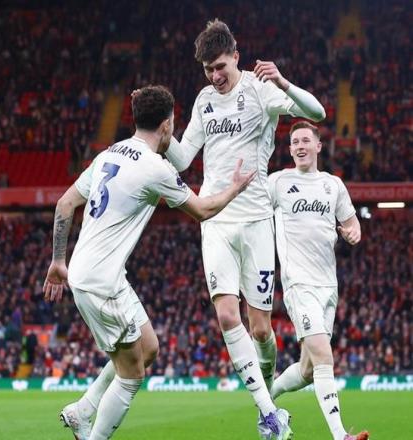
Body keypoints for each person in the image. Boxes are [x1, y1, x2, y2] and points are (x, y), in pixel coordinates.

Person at [42, 85, 261, 440]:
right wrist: (235, 187)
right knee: (132, 376)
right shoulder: (155, 168)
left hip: (97, 274)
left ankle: (83, 409)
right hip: (101, 284)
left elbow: (64, 204)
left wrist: (57, 261)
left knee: (150, 348)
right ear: (167, 125)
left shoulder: (108, 154)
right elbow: (203, 210)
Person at [162, 18, 325, 437]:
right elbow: (183, 158)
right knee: (225, 313)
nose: (215, 76)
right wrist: (159, 131)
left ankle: (267, 395)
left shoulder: (260, 89)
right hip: (215, 218)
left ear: (236, 57)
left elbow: (317, 113)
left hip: (256, 222)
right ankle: (268, 412)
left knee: (261, 329)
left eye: (221, 66)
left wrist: (284, 83)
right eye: (208, 70)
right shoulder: (203, 100)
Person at [268, 121, 369, 440]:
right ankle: (341, 435)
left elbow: (352, 223)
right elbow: (250, 211)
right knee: (324, 356)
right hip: (299, 284)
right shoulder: (278, 182)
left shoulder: (333, 185)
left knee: (309, 369)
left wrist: (353, 233)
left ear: (318, 146)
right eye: (295, 142)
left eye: (305, 141)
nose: (299, 146)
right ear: (290, 149)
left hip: (328, 285)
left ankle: (266, 397)